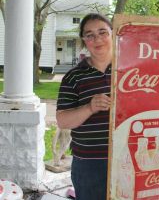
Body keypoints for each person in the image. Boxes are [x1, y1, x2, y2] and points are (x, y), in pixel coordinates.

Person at [56, 13, 113, 200]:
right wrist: (90, 107)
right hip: (89, 163)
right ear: (84, 40)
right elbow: (62, 120)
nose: (97, 39)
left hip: (128, 157)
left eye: (103, 32)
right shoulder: (73, 77)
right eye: (90, 35)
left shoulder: (131, 70)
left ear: (113, 34)